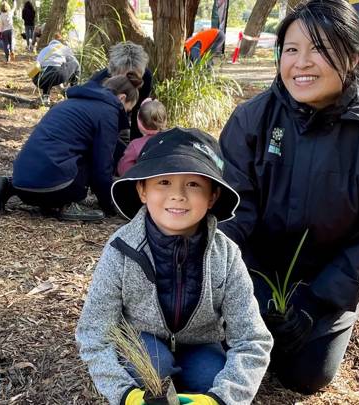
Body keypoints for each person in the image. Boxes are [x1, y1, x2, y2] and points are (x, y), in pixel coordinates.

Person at [218, 0, 359, 394]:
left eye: (320, 49)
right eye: (291, 49)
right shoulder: (252, 118)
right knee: (221, 352)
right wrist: (251, 290)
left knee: (306, 375)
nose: (302, 63)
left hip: (325, 282)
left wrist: (316, 302)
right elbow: (234, 209)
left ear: (354, 56)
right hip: (253, 270)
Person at [75, 128, 272, 405]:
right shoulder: (120, 248)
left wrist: (221, 398)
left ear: (213, 196)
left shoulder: (226, 254)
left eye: (193, 184)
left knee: (210, 378)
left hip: (201, 345)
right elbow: (93, 333)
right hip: (144, 340)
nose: (177, 195)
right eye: (164, 182)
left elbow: (253, 340)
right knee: (151, 373)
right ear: (142, 190)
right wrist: (124, 394)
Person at [0, 73, 142, 221]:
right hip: (57, 189)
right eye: (127, 111)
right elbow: (102, 167)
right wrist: (108, 204)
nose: (125, 116)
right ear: (122, 98)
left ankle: (10, 186)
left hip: (22, 184)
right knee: (93, 154)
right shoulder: (108, 112)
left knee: (68, 149)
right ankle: (68, 202)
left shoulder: (71, 103)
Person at [90, 41, 153, 142]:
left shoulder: (146, 78)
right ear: (113, 73)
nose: (130, 84)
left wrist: (134, 147)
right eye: (124, 79)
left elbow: (137, 113)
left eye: (134, 78)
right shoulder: (98, 83)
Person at [116, 98, 167, 176]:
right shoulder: (171, 140)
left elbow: (123, 168)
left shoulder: (135, 145)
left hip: (145, 184)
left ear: (139, 122)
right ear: (165, 121)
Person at [31, 35, 80, 105]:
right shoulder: (63, 48)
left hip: (38, 80)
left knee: (48, 70)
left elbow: (39, 67)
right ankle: (74, 94)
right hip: (56, 74)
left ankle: (45, 97)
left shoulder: (44, 50)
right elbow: (71, 59)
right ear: (59, 43)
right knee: (75, 63)